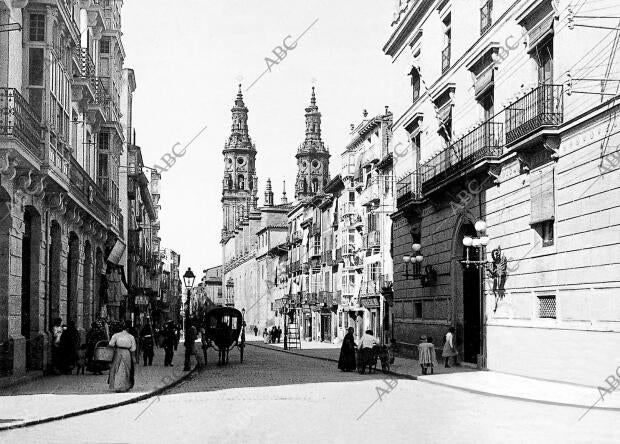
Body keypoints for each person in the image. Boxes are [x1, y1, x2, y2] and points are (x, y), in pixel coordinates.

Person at [108, 320, 137, 392]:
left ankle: (116, 385)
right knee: (127, 369)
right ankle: (125, 386)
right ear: (128, 329)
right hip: (127, 353)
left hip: (117, 352)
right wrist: (133, 358)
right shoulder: (131, 337)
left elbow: (111, 344)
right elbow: (133, 348)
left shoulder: (116, 335)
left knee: (116, 368)